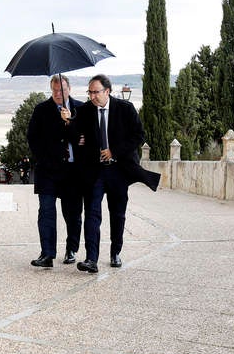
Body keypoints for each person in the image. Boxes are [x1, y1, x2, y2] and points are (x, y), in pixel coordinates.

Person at [62, 74, 160, 273]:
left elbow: (138, 136)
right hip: (94, 172)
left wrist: (114, 151)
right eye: (89, 92)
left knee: (117, 214)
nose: (92, 96)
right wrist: (68, 122)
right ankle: (91, 259)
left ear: (107, 91)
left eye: (95, 92)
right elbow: (74, 137)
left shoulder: (125, 109)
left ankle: (115, 252)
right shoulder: (84, 110)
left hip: (118, 171)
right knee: (92, 214)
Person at [26, 75, 84, 268]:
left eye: (62, 90)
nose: (59, 94)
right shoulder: (41, 109)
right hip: (48, 171)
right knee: (46, 212)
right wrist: (43, 158)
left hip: (73, 171)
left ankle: (71, 249)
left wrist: (69, 122)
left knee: (73, 214)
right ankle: (47, 254)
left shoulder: (81, 109)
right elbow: (33, 138)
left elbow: (84, 139)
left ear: (69, 89)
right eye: (55, 90)